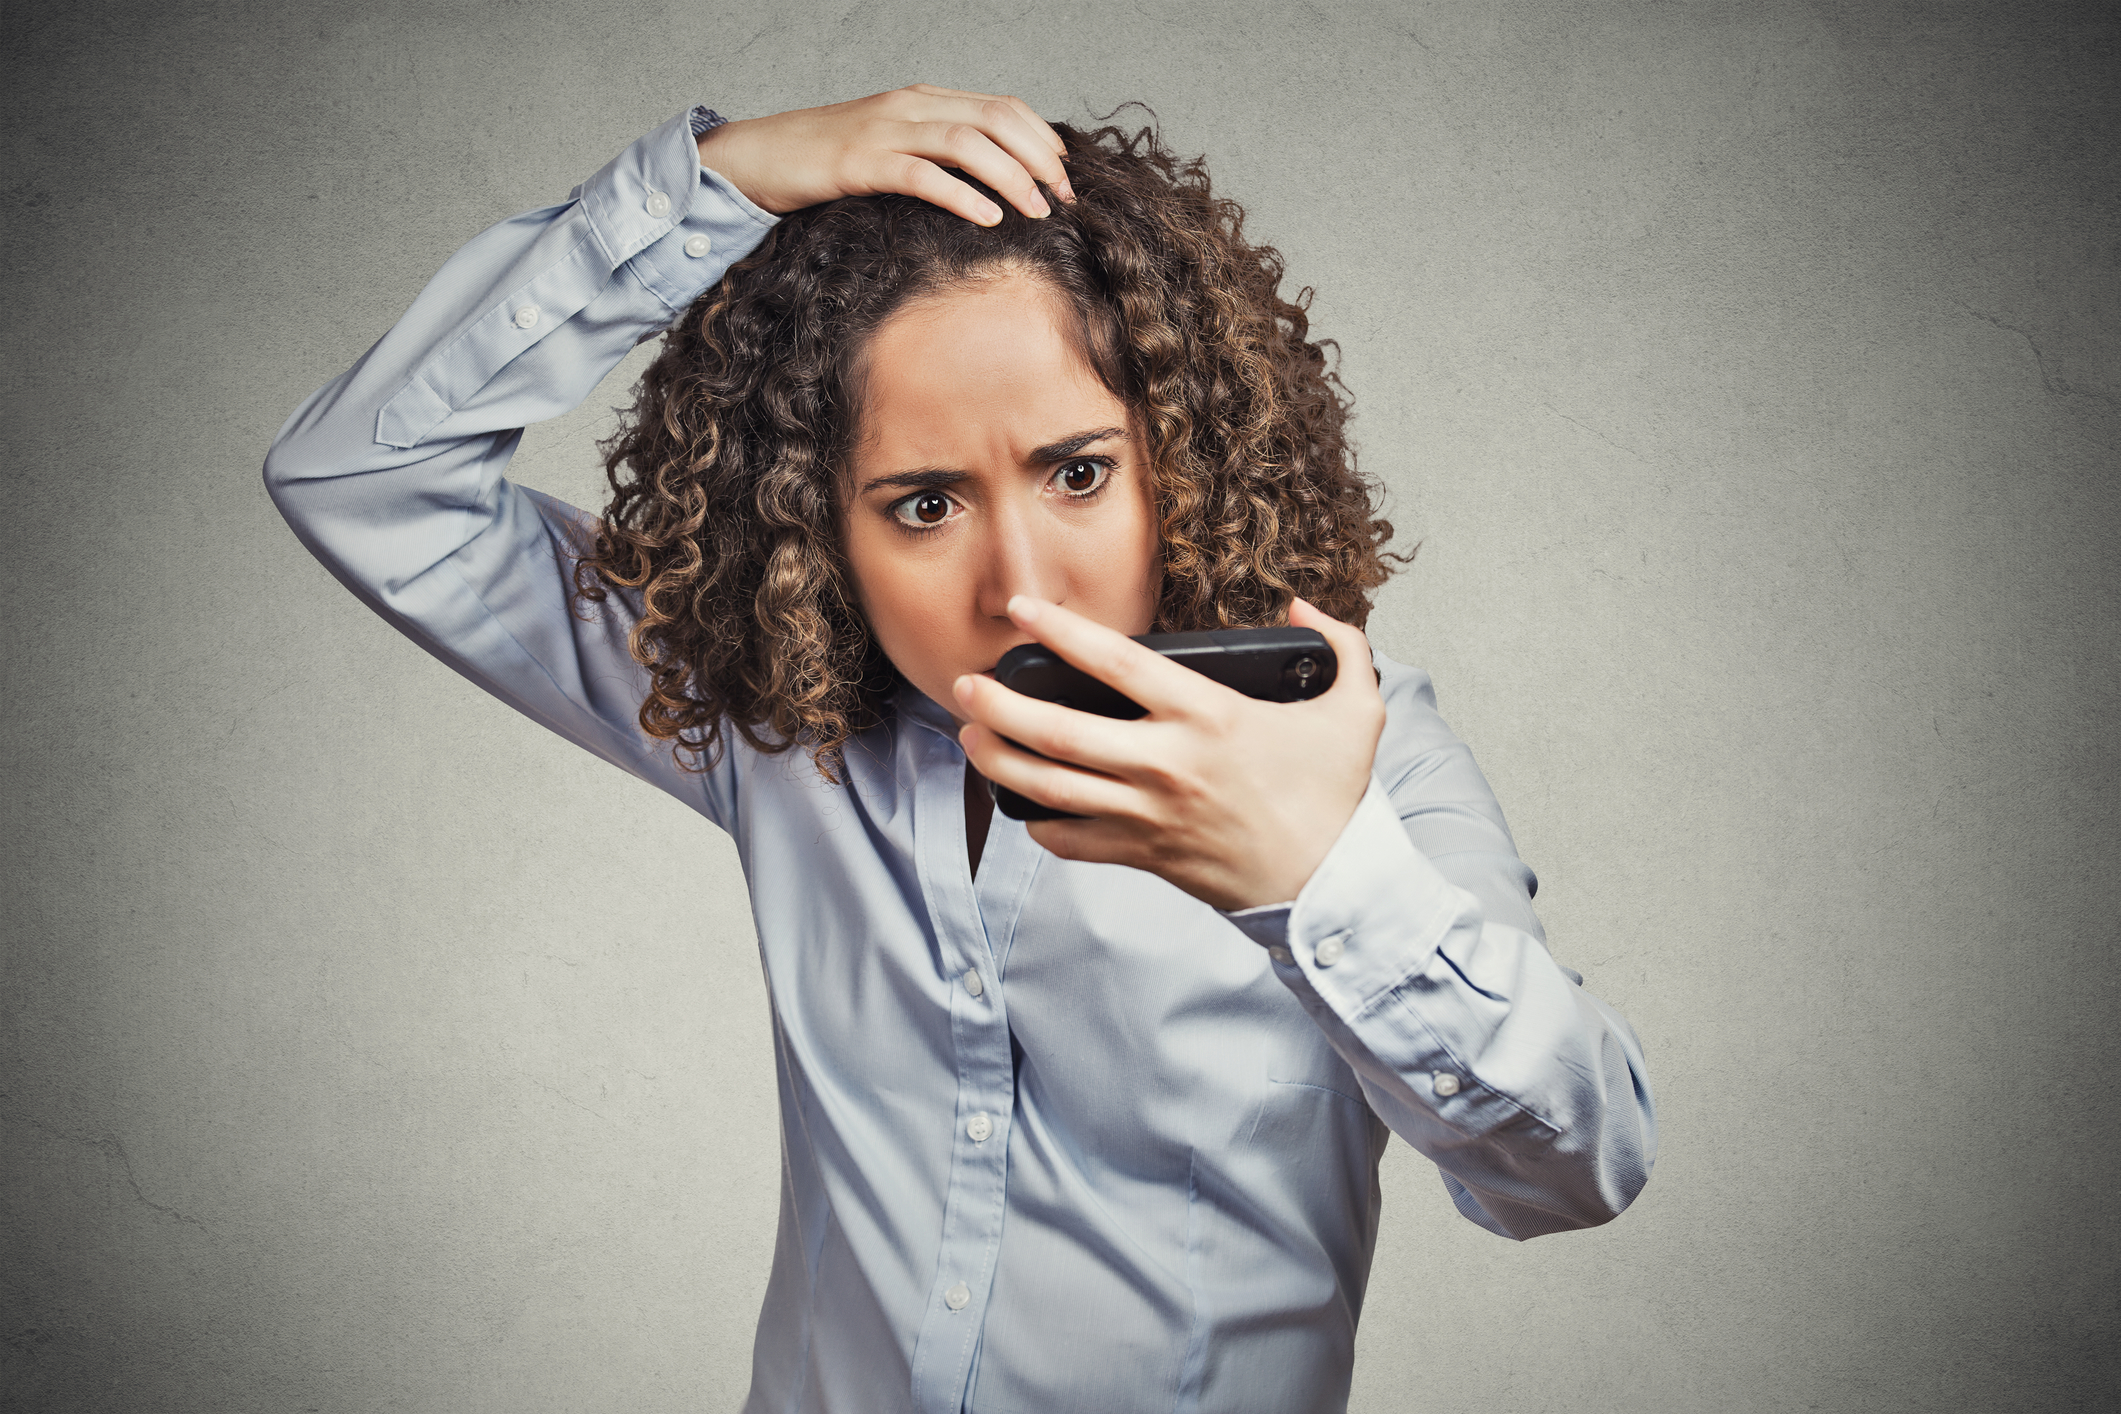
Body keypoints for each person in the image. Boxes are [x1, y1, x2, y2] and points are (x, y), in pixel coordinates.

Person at [264, 85, 1655, 1414]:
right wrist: (716, 180)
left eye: (1077, 470)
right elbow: (366, 479)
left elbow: (1570, 1166)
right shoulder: (780, 720)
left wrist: (1314, 875)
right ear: (819, 528)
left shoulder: (1357, 754)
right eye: (923, 503)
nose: (1017, 587)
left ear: (1180, 450)